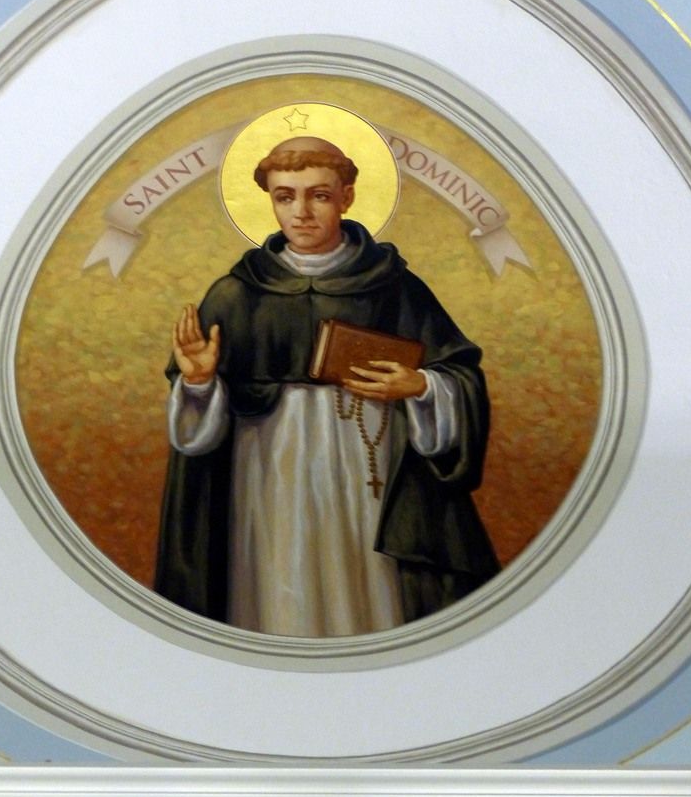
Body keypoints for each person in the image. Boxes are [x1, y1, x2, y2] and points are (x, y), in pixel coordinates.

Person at [155, 136, 498, 636]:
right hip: (268, 478)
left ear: (347, 198)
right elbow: (195, 438)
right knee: (278, 589)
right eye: (285, 196)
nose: (301, 212)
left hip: (367, 475)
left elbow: (460, 376)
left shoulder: (394, 287)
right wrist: (200, 381)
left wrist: (421, 387)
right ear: (271, 201)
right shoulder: (236, 295)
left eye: (318, 195)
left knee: (366, 591)